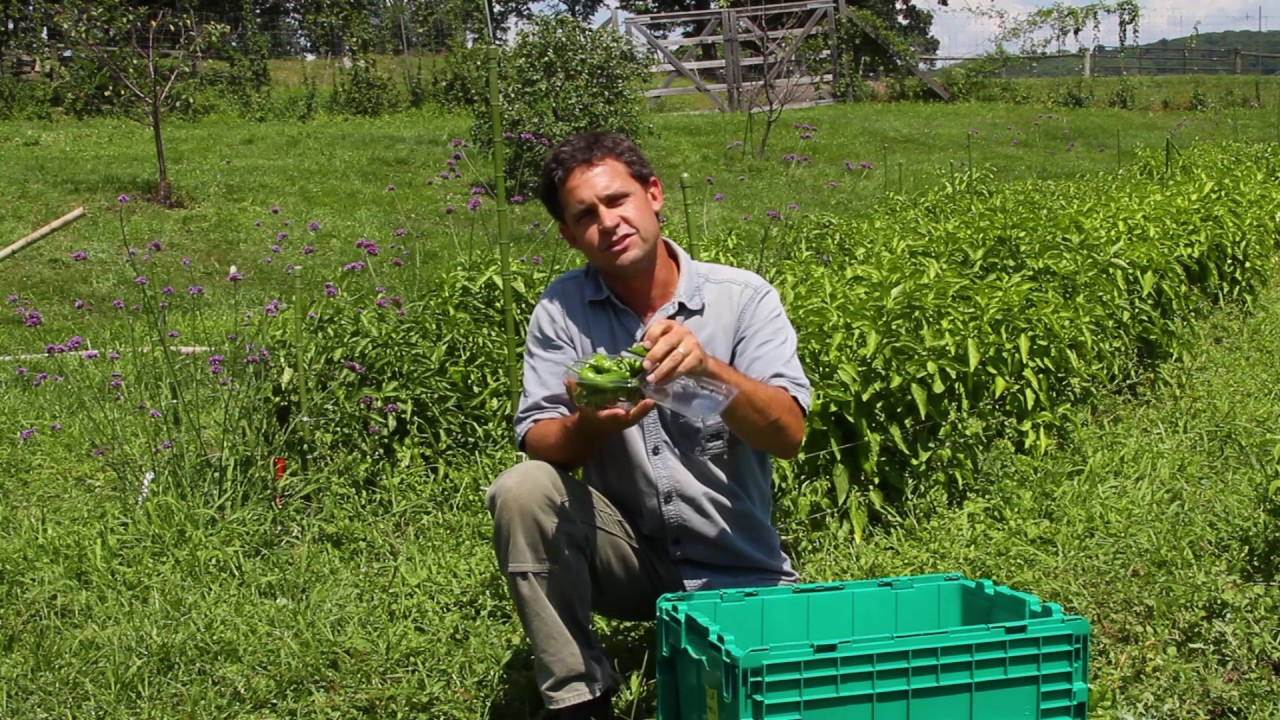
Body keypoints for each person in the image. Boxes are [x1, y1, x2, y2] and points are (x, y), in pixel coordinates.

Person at [485, 131, 811, 720]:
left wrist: (710, 373)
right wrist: (590, 426)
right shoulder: (561, 311)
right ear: (568, 235)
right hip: (628, 558)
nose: (607, 222)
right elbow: (538, 439)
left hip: (738, 567)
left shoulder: (741, 299)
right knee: (522, 489)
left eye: (618, 200)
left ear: (653, 194)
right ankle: (579, 701)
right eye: (585, 214)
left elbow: (787, 435)